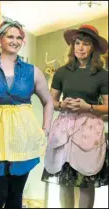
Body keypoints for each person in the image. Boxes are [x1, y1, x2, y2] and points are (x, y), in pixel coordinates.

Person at [0, 17, 54, 208]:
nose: (15, 41)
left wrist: (46, 129)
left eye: (19, 37)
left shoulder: (32, 71)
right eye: (10, 36)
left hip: (22, 139)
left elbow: (48, 101)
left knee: (15, 197)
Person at [42, 24, 108, 208]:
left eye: (85, 44)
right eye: (77, 43)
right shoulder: (62, 72)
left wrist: (89, 107)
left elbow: (108, 106)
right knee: (65, 179)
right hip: (64, 129)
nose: (80, 47)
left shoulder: (102, 75)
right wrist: (62, 104)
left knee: (87, 181)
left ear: (93, 47)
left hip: (90, 129)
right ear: (72, 46)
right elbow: (51, 101)